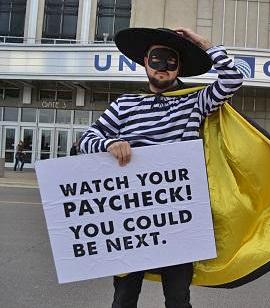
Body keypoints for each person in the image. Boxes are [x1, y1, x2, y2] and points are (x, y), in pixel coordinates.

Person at [79, 27, 243, 308]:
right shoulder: (124, 105)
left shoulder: (194, 101)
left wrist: (205, 44)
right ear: (145, 62)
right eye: (157, 60)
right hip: (132, 218)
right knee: (124, 298)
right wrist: (109, 144)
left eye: (171, 61)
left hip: (180, 218)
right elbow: (86, 140)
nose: (163, 68)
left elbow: (232, 80)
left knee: (178, 299)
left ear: (179, 67)